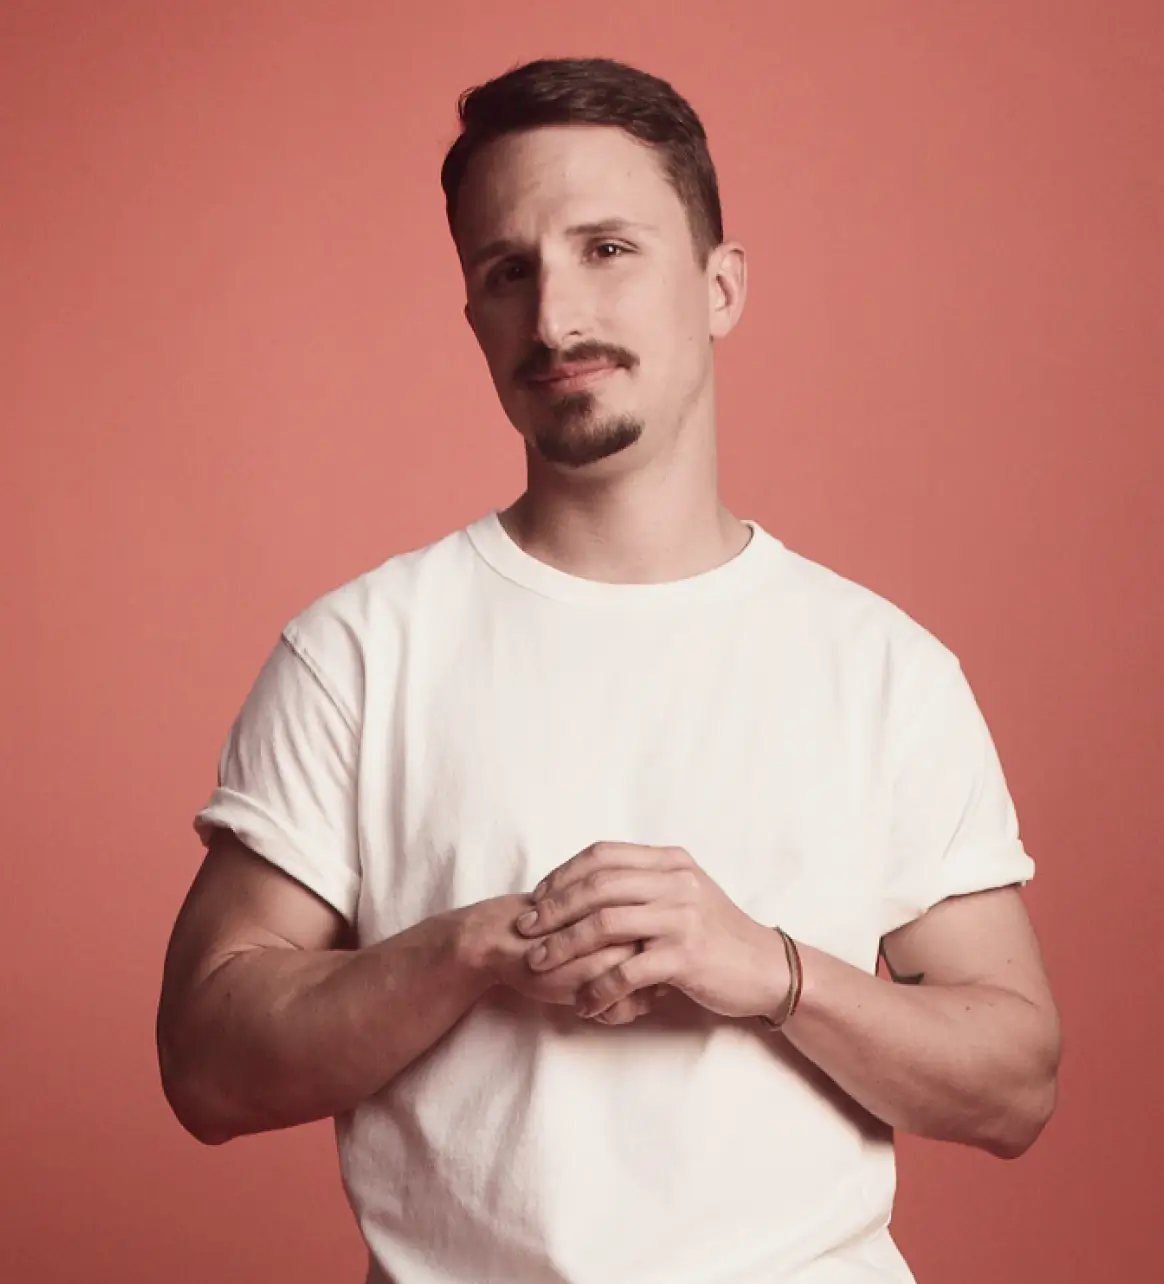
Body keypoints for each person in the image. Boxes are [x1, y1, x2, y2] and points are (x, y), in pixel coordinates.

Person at [156, 56, 1061, 1284]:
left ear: (721, 285)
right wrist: (472, 949)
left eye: (608, 249)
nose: (556, 316)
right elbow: (206, 1065)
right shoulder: (359, 653)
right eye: (505, 270)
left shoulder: (882, 668)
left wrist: (771, 972)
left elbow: (1015, 1082)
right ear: (472, 314)